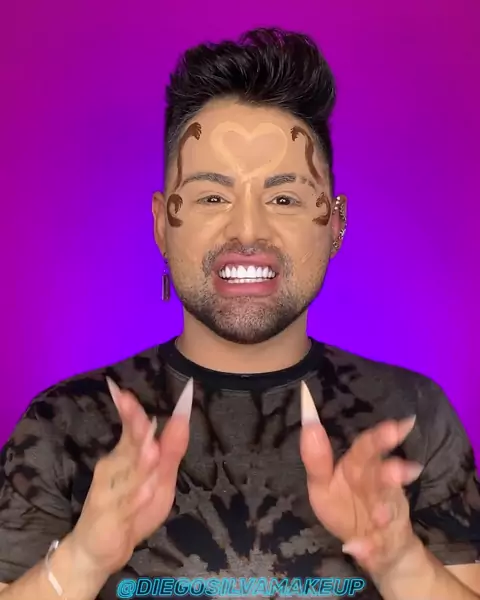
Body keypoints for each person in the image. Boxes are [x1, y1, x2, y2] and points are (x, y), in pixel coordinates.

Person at [0, 27, 479, 600]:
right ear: (161, 224)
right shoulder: (64, 424)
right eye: (211, 196)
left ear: (335, 224)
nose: (248, 231)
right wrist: (83, 559)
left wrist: (400, 562)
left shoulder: (411, 417)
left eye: (284, 198)